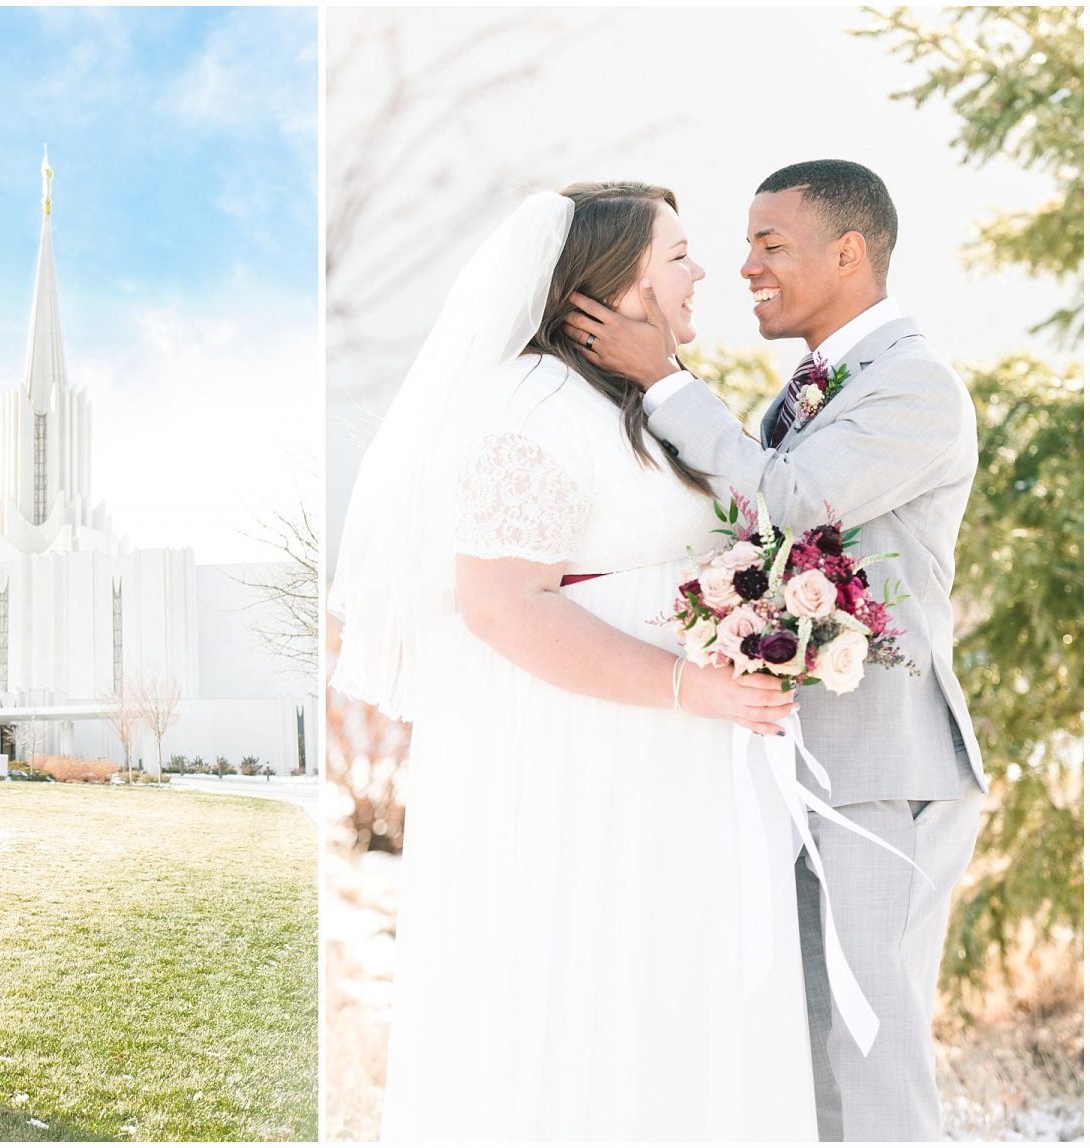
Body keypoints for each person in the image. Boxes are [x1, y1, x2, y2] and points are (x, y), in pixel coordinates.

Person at [330, 183, 815, 1140]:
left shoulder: (630, 399)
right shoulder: (530, 407)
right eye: (677, 254)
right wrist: (692, 683)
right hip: (576, 773)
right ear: (612, 283)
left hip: (653, 773)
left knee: (664, 1006)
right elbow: (504, 606)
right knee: (585, 1000)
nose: (703, 270)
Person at [565, 159, 985, 1141]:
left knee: (875, 1049)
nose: (742, 263)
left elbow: (791, 501)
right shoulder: (802, 393)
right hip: (801, 765)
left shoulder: (915, 386)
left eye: (770, 243)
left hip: (887, 763)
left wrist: (663, 378)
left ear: (850, 250)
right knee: (810, 1049)